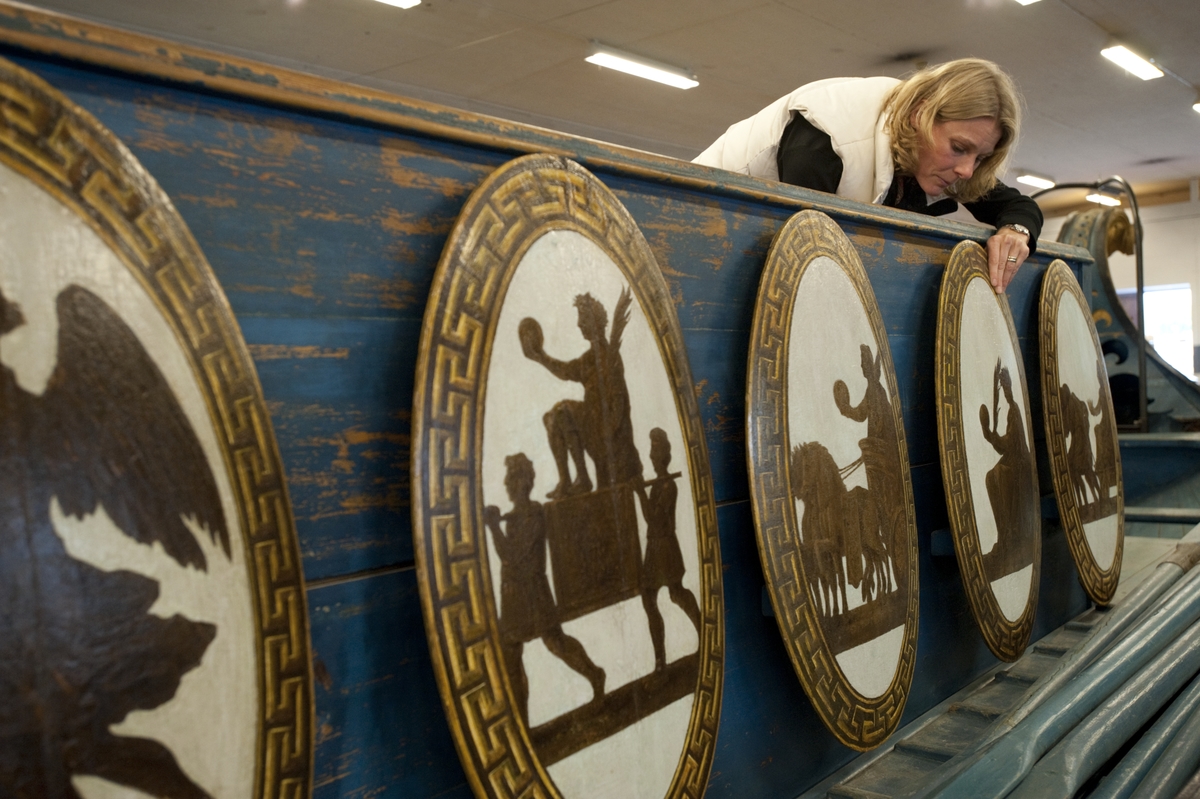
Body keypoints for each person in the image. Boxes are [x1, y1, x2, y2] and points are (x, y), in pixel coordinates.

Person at [694, 58, 1042, 293]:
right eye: (959, 148)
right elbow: (805, 262)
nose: (967, 169)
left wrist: (1016, 232)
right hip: (704, 222)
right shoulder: (826, 137)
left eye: (980, 157)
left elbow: (1017, 206)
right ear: (920, 115)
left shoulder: (944, 158)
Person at [484, 453, 606, 722]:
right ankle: (522, 721)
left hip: (533, 591)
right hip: (513, 595)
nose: (506, 483)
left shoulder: (534, 514)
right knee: (511, 654)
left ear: (523, 481)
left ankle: (595, 675)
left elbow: (512, 556)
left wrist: (493, 527)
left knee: (556, 642)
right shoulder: (514, 516)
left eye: (511, 477)